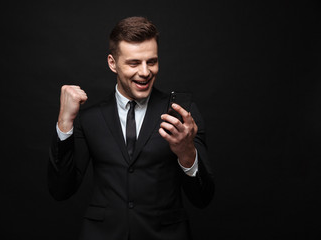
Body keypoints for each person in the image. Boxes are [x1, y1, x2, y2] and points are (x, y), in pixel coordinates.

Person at [48, 16, 214, 240]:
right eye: (134, 63)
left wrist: (186, 153)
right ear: (112, 63)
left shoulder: (182, 114)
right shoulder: (90, 119)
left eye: (152, 61)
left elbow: (203, 198)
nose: (145, 72)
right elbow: (61, 190)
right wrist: (64, 123)